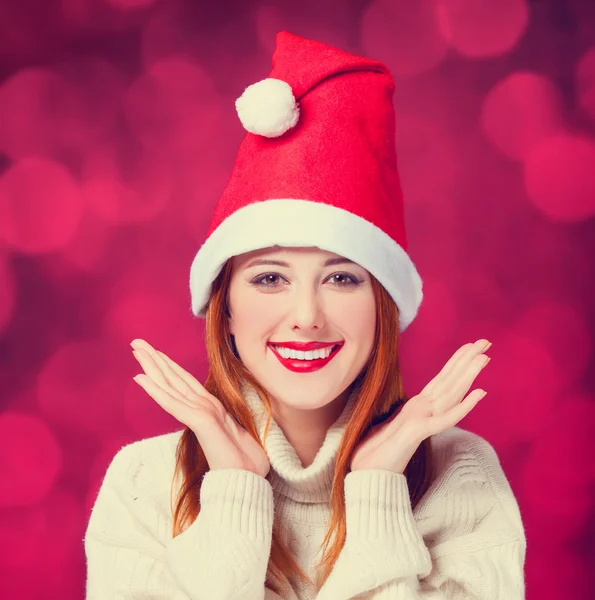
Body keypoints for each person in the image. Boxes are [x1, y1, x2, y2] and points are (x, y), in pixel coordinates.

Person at [84, 31, 526, 600]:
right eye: (270, 278)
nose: (307, 317)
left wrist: (376, 488)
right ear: (225, 313)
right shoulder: (144, 480)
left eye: (342, 278)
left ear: (381, 309)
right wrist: (235, 488)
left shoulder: (462, 474)